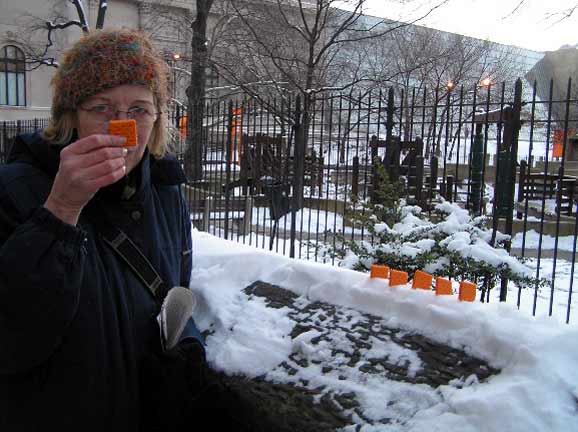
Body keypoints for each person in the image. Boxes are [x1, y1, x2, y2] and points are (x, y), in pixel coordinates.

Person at [0, 29, 212, 432]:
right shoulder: (13, 191)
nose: (121, 126)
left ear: (157, 118)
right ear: (70, 117)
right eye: (102, 107)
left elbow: (170, 292)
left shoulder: (165, 191)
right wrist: (61, 209)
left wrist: (187, 349)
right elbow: (12, 339)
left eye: (139, 109)